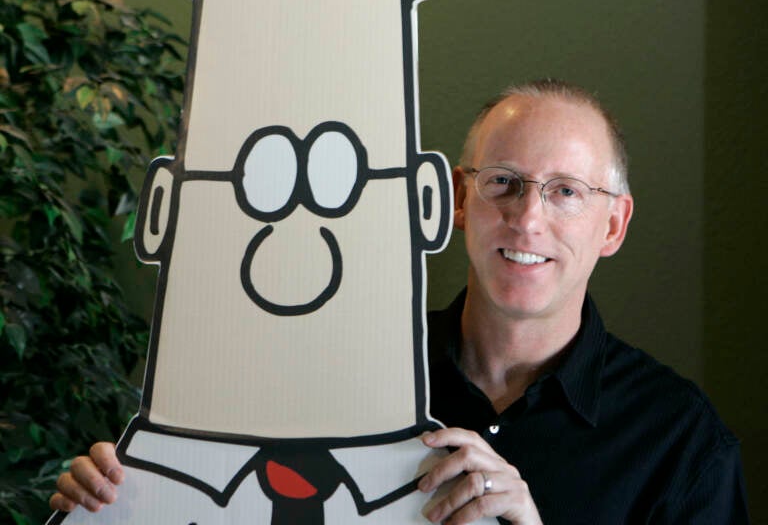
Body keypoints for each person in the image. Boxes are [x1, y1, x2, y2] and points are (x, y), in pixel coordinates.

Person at [49, 79, 749, 523]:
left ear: (613, 226)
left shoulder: (683, 445)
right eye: (503, 181)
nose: (529, 218)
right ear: (453, 201)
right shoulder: (335, 376)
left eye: (566, 191)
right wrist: (115, 503)